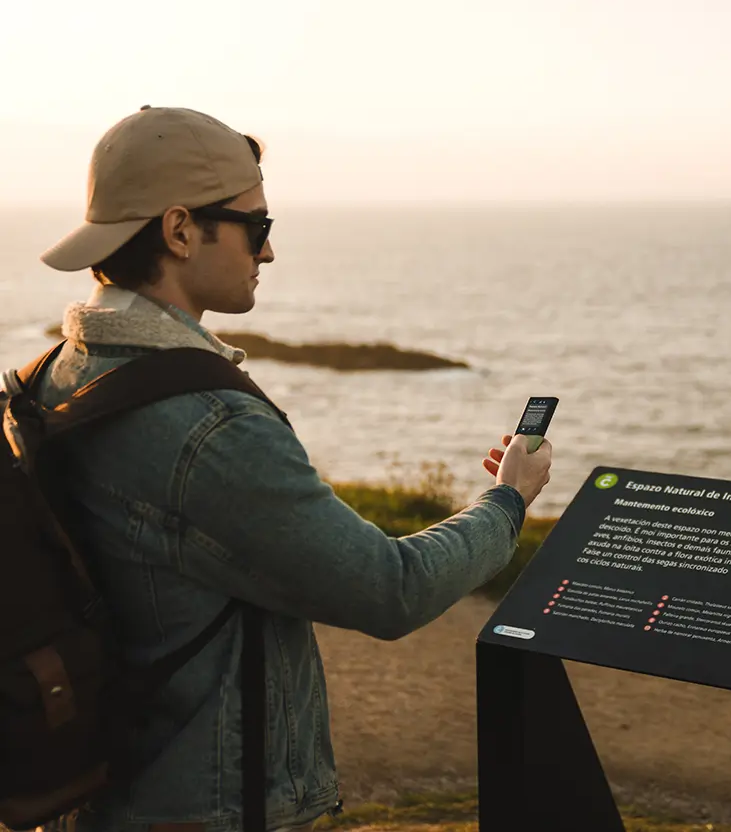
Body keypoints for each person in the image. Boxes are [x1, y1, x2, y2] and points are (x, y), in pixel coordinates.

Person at [32, 106, 553, 832]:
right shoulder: (211, 427)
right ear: (181, 231)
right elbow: (387, 590)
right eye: (258, 228)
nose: (268, 254)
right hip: (202, 809)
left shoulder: (48, 379)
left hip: (90, 793)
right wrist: (506, 504)